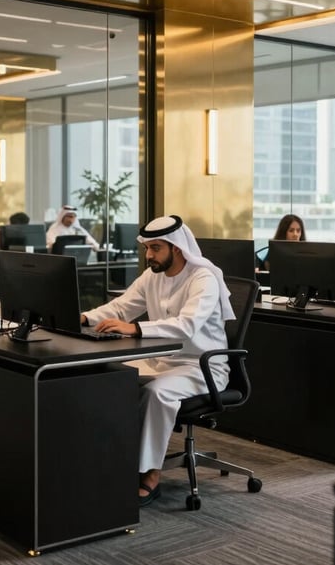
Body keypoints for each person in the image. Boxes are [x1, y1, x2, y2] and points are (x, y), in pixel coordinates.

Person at [81, 215, 234, 507]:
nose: (148, 255)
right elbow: (121, 307)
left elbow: (186, 325)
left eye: (155, 248)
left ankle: (150, 475)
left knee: (156, 392)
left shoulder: (203, 279)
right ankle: (111, 462)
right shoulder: (152, 276)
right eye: (146, 248)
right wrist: (85, 317)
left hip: (201, 366)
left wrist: (136, 328)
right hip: (162, 360)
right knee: (107, 374)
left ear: (176, 247)